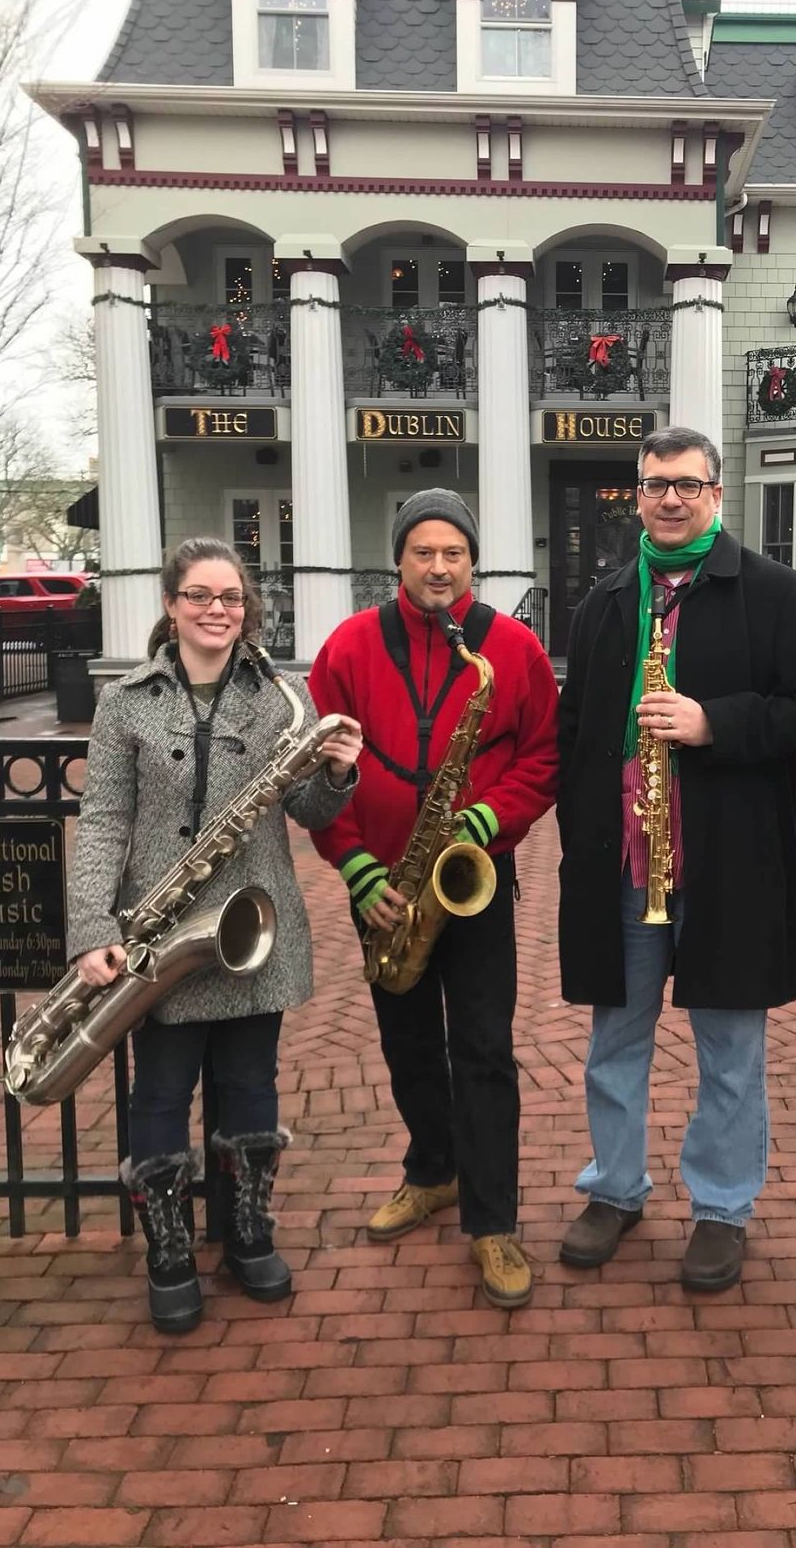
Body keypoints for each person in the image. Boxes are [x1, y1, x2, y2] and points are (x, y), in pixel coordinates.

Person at [556, 425, 796, 1290]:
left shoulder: (777, 592)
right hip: (626, 866)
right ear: (636, 496)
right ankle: (614, 1188)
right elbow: (577, 733)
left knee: (729, 1046)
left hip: (728, 867)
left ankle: (721, 1206)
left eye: (687, 484)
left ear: (717, 495)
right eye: (654, 485)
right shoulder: (607, 600)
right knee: (616, 1040)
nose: (670, 499)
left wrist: (713, 721)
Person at [68, 538, 363, 1334]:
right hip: (159, 932)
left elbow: (307, 816)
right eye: (199, 596)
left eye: (231, 598)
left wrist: (336, 772)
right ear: (171, 605)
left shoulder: (277, 697)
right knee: (160, 1090)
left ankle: (246, 1234)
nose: (216, 610)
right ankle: (169, 1251)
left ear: (247, 610)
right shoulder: (126, 701)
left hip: (250, 925)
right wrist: (92, 927)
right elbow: (101, 823)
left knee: (252, 1085)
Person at [308, 489, 558, 1310]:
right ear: (399, 560)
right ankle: (433, 1170)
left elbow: (545, 756)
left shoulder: (513, 648)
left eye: (454, 552)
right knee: (406, 1041)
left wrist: (491, 817)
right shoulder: (347, 646)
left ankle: (494, 1222)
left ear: (473, 561)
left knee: (483, 1048)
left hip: (472, 877)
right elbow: (315, 775)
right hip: (382, 886)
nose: (440, 567)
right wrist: (355, 869)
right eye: (423, 552)